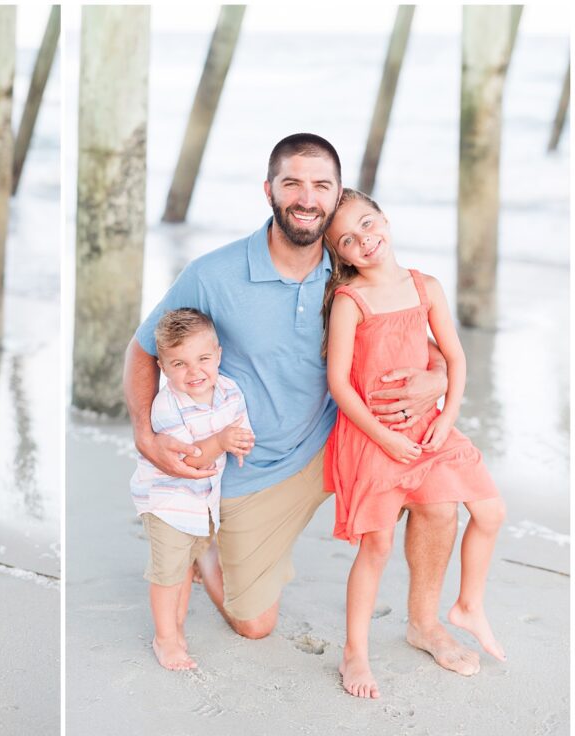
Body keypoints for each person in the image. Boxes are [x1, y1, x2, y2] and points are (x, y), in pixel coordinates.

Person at [124, 133, 484, 678]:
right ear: (268, 189)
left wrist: (436, 376)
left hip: (341, 438)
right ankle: (206, 550)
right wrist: (146, 436)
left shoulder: (348, 271)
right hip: (254, 465)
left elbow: (410, 330)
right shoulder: (213, 274)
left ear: (336, 197)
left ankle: (425, 623)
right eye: (292, 182)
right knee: (254, 624)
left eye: (321, 186)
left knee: (436, 499)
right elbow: (143, 349)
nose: (306, 197)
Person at [322, 188, 506, 699]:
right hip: (372, 436)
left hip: (429, 428)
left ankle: (454, 610)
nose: (365, 240)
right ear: (340, 254)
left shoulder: (425, 286)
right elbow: (340, 383)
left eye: (368, 223)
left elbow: (455, 357)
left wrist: (448, 416)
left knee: (484, 511)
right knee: (376, 545)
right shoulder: (350, 300)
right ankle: (354, 651)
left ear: (385, 217)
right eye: (348, 240)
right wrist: (381, 434)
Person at [130, 309, 253, 671]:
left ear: (218, 355)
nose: (194, 372)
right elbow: (190, 460)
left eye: (202, 359)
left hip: (203, 505)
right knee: (167, 575)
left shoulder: (229, 390)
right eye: (179, 364)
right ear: (163, 367)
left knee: (183, 567)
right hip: (168, 502)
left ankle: (177, 625)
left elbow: (240, 427)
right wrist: (223, 440)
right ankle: (164, 638)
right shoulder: (166, 407)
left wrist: (240, 442)